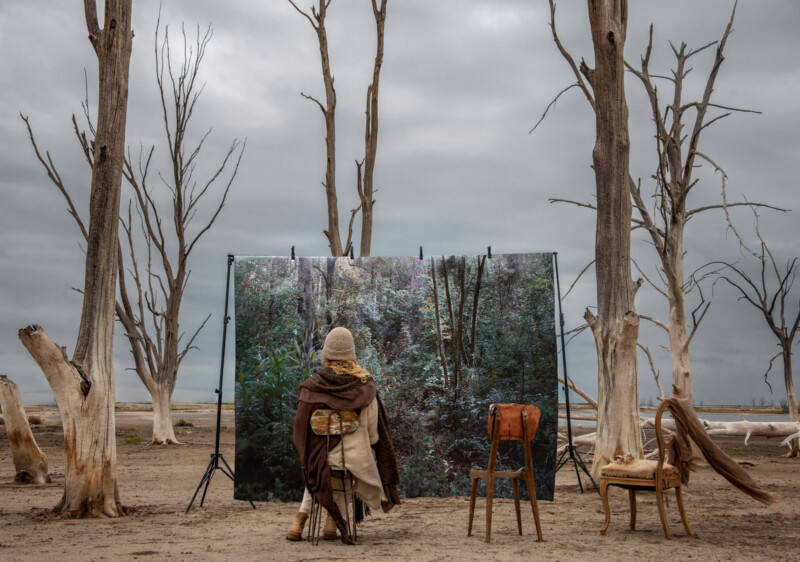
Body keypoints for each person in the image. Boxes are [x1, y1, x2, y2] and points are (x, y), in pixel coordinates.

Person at [286, 327, 400, 544]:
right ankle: (332, 522)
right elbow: (374, 437)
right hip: (355, 460)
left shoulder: (311, 388)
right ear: (352, 354)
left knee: (319, 467)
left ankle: (299, 521)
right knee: (349, 465)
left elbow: (300, 429)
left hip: (319, 458)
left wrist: (317, 446)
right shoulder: (365, 387)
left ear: (327, 354)